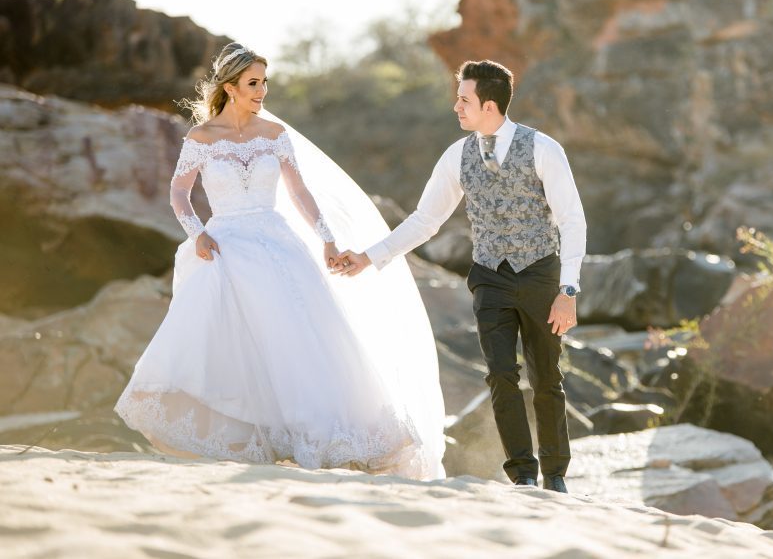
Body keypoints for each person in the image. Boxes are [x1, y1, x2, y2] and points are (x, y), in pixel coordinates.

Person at [115, 43, 445, 479]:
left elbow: (299, 192)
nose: (262, 91)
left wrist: (327, 240)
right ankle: (255, 437)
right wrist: (197, 233)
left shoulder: (274, 134)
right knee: (237, 343)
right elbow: (179, 192)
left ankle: (321, 436)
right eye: (253, 83)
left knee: (301, 339)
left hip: (279, 245)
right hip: (226, 247)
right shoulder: (201, 138)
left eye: (264, 82)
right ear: (230, 87)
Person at [337, 60, 586, 493]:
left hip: (541, 275)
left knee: (546, 377)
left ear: (489, 105)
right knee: (500, 374)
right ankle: (523, 474)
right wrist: (370, 257)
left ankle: (556, 475)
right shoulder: (457, 156)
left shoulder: (544, 149)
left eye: (464, 100)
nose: (456, 107)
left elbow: (572, 220)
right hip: (489, 277)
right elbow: (425, 220)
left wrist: (568, 289)